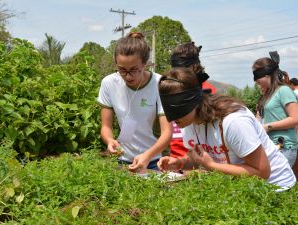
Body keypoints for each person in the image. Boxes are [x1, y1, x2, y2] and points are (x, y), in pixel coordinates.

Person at [157, 67, 296, 191]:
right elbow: (197, 159)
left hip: (276, 188)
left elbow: (262, 171)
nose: (171, 119)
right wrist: (180, 163)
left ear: (191, 102)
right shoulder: (188, 121)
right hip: (243, 188)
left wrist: (212, 166)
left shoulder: (233, 121)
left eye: (176, 110)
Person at [97, 32, 172, 172]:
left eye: (134, 70)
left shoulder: (159, 84)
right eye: (122, 70)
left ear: (144, 64)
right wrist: (109, 141)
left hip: (154, 160)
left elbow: (167, 132)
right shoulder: (109, 83)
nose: (128, 76)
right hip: (122, 158)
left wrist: (147, 156)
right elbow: (105, 127)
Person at [252, 51, 298, 172]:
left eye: (257, 79)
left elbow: (295, 119)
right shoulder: (267, 95)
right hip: (270, 146)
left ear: (267, 75)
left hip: (284, 146)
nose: (256, 82)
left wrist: (268, 127)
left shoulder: (284, 91)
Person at [169, 42, 216, 158]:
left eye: (183, 71)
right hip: (179, 159)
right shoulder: (171, 90)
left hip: (202, 160)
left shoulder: (207, 92)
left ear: (195, 68)